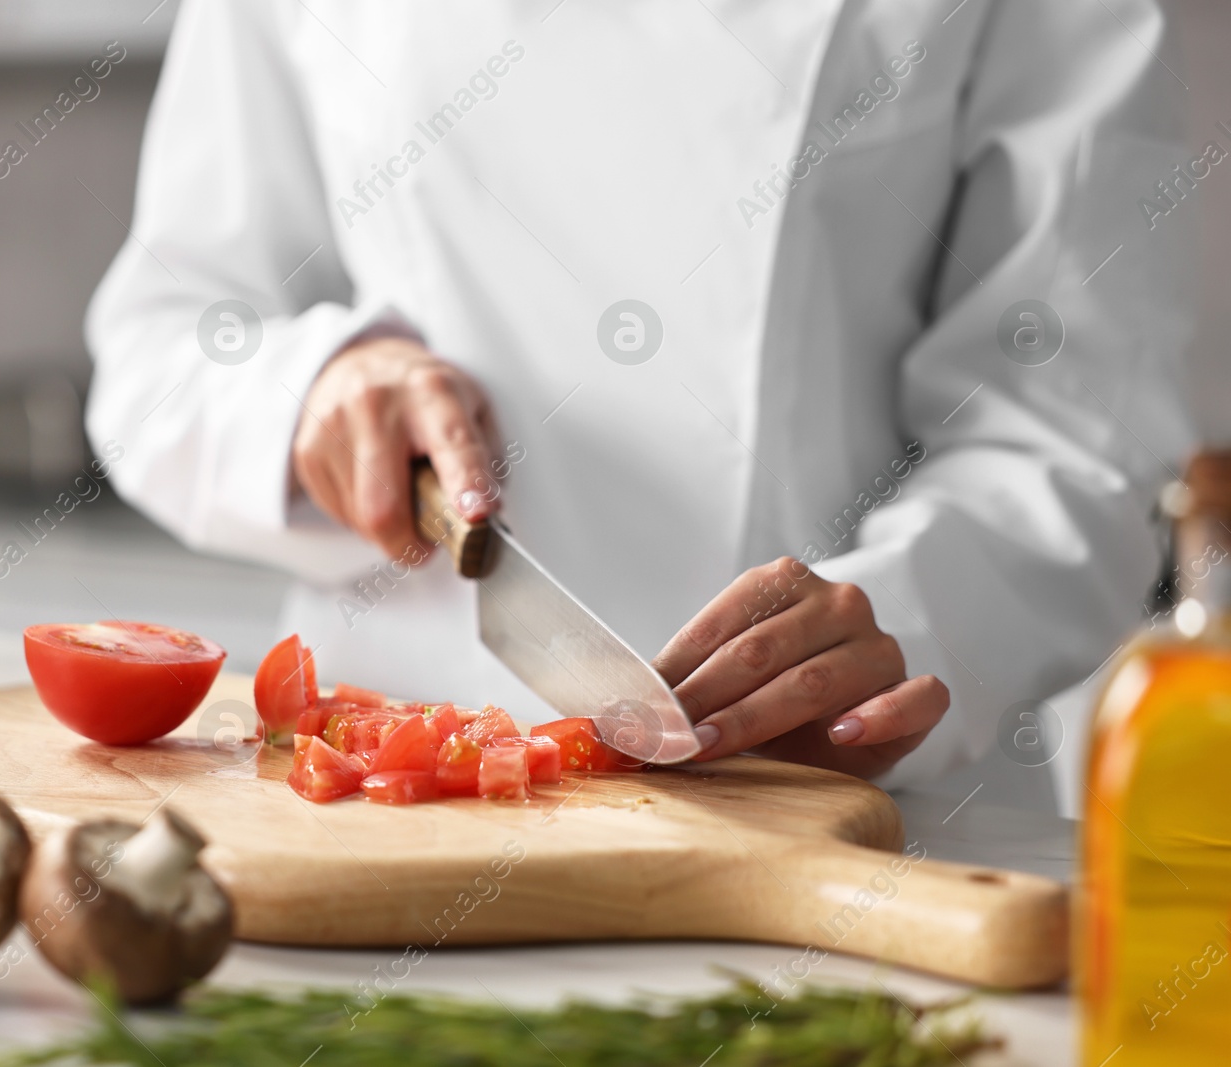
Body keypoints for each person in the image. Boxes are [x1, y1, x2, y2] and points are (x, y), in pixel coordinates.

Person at [86, 1, 1194, 784]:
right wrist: (310, 393)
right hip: (381, 786)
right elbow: (168, 337)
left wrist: (897, 625)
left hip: (839, 817)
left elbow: (1079, 418)